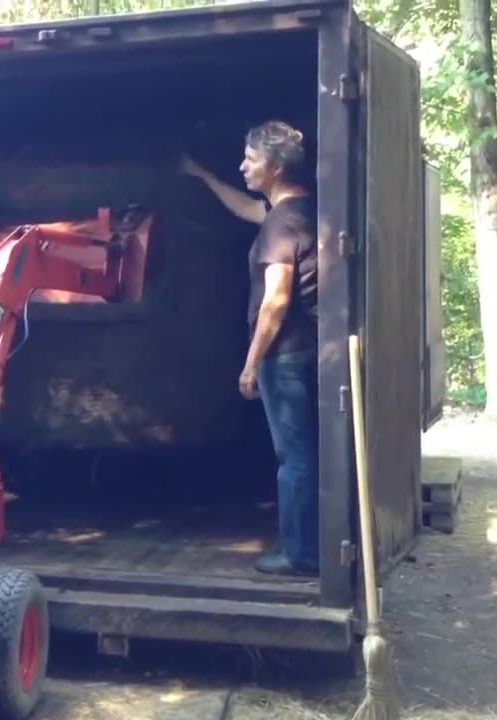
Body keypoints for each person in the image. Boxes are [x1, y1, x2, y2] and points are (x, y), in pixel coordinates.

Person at [181, 120, 319, 577]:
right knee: (302, 455)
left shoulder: (282, 224)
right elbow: (246, 207)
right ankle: (309, 547)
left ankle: (301, 555)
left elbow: (276, 300)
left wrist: (250, 363)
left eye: (251, 160)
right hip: (301, 351)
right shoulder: (297, 211)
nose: (243, 166)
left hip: (284, 356)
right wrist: (202, 176)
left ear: (276, 167)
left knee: (294, 459)